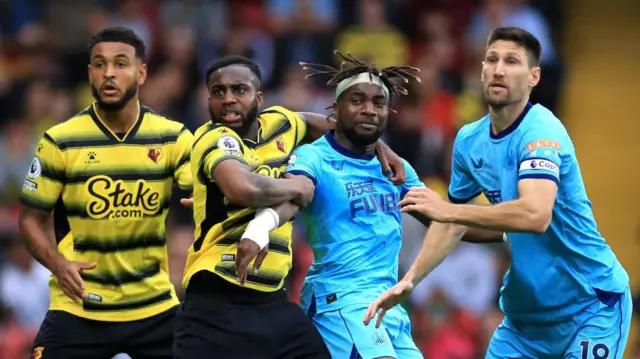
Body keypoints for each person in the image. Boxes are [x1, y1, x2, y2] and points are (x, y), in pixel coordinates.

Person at [365, 27, 631, 359]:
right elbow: (452, 222)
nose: (499, 69)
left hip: (590, 307)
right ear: (481, 71)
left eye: (512, 61)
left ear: (534, 77)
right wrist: (412, 278)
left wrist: (449, 210)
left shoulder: (542, 131)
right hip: (525, 321)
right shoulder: (467, 141)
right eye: (491, 59)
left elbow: (535, 214)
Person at [242, 51, 503, 359]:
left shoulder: (396, 169)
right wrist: (261, 227)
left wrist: (516, 230)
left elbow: (448, 221)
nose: (369, 110)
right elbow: (296, 195)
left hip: (388, 307)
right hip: (341, 301)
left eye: (379, 103)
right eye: (357, 101)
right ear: (336, 108)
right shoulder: (316, 157)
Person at [173, 54, 406, 359]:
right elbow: (242, 188)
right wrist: (298, 186)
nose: (228, 99)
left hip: (271, 300)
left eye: (238, 90)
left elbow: (321, 124)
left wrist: (376, 144)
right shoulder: (213, 137)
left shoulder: (281, 123)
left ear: (259, 96)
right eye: (218, 92)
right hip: (217, 300)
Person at [18, 27, 193, 359]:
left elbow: (208, 186)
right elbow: (29, 219)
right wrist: (58, 264)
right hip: (80, 306)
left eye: (120, 63)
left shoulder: (173, 137)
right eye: (99, 64)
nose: (109, 73)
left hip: (154, 306)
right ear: (89, 73)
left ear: (141, 73)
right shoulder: (61, 140)